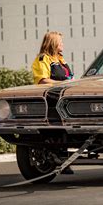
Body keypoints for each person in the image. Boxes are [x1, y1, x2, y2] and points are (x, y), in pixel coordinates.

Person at [32, 31, 74, 174]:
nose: (62, 44)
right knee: (56, 132)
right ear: (53, 43)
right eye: (60, 41)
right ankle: (57, 160)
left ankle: (63, 160)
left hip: (64, 100)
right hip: (51, 101)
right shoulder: (43, 59)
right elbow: (42, 80)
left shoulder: (60, 59)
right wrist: (62, 84)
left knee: (65, 133)